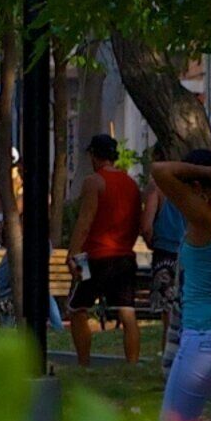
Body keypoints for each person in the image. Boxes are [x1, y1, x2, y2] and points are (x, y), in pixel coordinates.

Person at [149, 150, 211, 421]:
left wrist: (208, 173)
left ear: (196, 187)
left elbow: (160, 170)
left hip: (202, 339)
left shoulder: (207, 221)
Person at [64, 135, 147, 364]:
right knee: (127, 312)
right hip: (123, 256)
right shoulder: (131, 183)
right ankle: (132, 363)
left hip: (93, 256)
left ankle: (84, 362)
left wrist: (72, 254)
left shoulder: (94, 182)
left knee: (77, 308)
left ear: (93, 155)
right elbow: (136, 221)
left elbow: (85, 221)